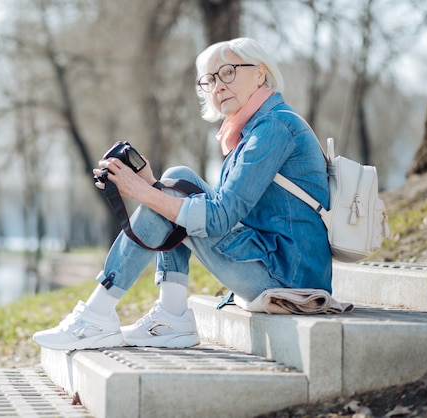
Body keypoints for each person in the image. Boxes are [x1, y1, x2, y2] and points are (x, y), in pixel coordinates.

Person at [33, 37, 332, 351]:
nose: (217, 86)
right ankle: (172, 314)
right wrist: (153, 186)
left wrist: (144, 193)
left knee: (167, 197)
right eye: (210, 79)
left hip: (287, 278)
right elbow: (220, 209)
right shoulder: (258, 128)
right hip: (277, 261)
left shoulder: (272, 128)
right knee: (177, 179)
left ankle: (97, 314)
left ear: (260, 74)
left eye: (228, 72)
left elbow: (219, 218)